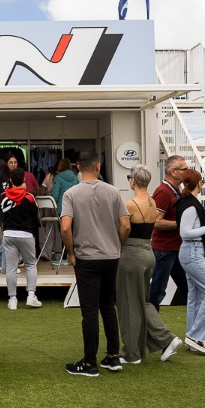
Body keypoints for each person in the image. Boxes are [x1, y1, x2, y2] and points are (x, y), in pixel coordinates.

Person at [60, 150, 129, 377]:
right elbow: (126, 225)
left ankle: (89, 363)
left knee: (89, 311)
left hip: (87, 258)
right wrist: (115, 245)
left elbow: (66, 227)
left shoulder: (71, 194)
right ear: (98, 166)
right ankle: (113, 356)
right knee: (108, 307)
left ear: (78, 167)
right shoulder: (113, 192)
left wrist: (71, 253)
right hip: (111, 257)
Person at [117, 166, 183, 365]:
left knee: (129, 304)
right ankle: (165, 339)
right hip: (148, 252)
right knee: (143, 301)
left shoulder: (129, 204)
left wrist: (118, 243)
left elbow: (125, 228)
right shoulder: (153, 201)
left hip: (131, 255)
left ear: (133, 181)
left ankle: (132, 353)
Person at [176, 169, 205, 355]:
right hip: (192, 251)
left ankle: (194, 336)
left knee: (196, 297)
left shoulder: (188, 203)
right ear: (199, 183)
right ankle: (196, 336)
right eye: (202, 182)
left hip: (193, 252)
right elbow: (184, 233)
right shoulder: (190, 205)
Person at [149, 155, 190, 309]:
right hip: (164, 250)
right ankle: (151, 328)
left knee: (188, 289)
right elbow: (156, 221)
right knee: (157, 291)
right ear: (174, 172)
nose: (187, 171)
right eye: (184, 169)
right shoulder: (164, 192)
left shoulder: (175, 190)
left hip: (174, 249)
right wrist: (182, 224)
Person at [0, 167, 41, 310]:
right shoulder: (29, 197)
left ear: (10, 180)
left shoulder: (3, 196)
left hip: (9, 234)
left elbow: (2, 217)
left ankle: (12, 300)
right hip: (26, 234)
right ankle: (31, 296)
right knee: (30, 264)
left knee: (11, 268)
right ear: (23, 180)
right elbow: (35, 214)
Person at [48, 157, 78, 265]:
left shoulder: (58, 177)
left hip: (62, 209)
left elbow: (55, 195)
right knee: (73, 232)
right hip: (75, 209)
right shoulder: (75, 178)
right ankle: (74, 256)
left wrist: (50, 203)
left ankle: (65, 258)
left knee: (64, 233)